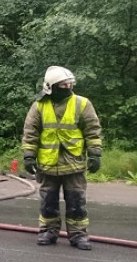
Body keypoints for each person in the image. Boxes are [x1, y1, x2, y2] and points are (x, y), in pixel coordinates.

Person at [21, 66, 102, 251]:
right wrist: (28, 156)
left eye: (69, 83)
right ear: (51, 87)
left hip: (74, 163)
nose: (68, 86)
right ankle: (48, 231)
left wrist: (95, 153)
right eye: (63, 84)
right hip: (48, 164)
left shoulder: (82, 104)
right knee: (48, 201)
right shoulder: (39, 106)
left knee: (76, 202)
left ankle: (79, 235)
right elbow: (30, 133)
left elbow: (92, 130)